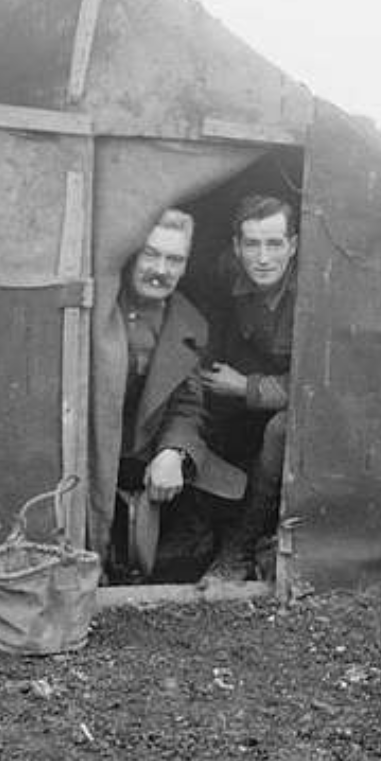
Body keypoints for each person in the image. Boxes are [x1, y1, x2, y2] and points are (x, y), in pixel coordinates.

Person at [113, 208, 236, 582]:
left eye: (174, 259)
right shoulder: (95, 305)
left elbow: (188, 404)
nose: (161, 269)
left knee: (209, 519)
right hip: (90, 457)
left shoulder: (190, 323)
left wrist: (174, 451)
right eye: (151, 254)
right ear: (131, 254)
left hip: (144, 456)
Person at [198, 194, 299, 582]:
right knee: (207, 405)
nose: (263, 258)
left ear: (293, 246)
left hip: (312, 397)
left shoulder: (313, 292)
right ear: (236, 247)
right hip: (263, 369)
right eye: (252, 244)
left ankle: (240, 547)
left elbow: (317, 387)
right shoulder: (227, 270)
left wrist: (246, 387)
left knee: (279, 431)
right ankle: (197, 527)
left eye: (274, 244)